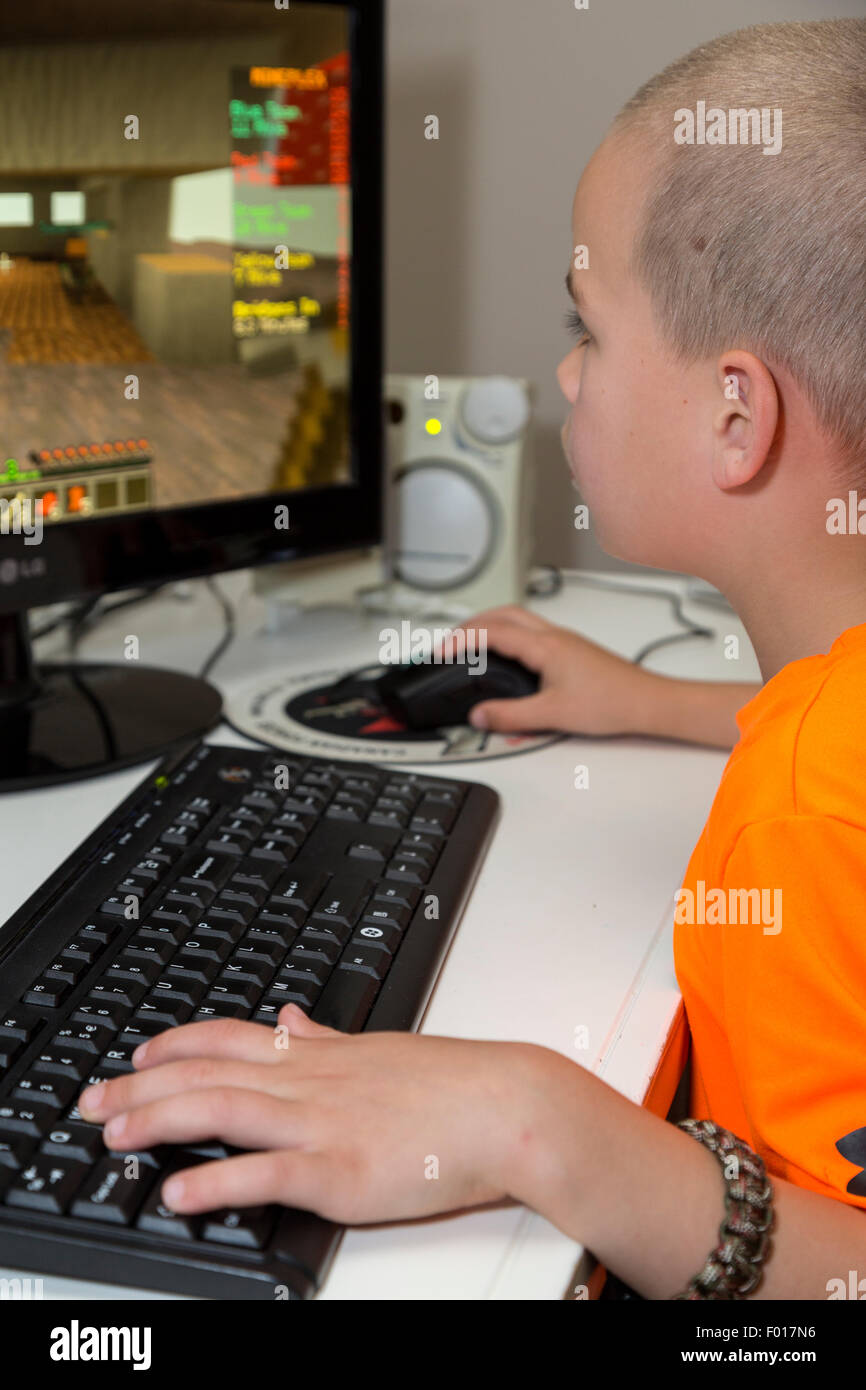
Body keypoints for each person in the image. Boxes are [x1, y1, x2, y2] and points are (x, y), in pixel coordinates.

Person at [79, 18, 866, 1299]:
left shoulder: (807, 817)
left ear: (736, 415)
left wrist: (535, 1120)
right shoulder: (827, 730)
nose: (564, 373)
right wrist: (653, 700)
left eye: (588, 328)